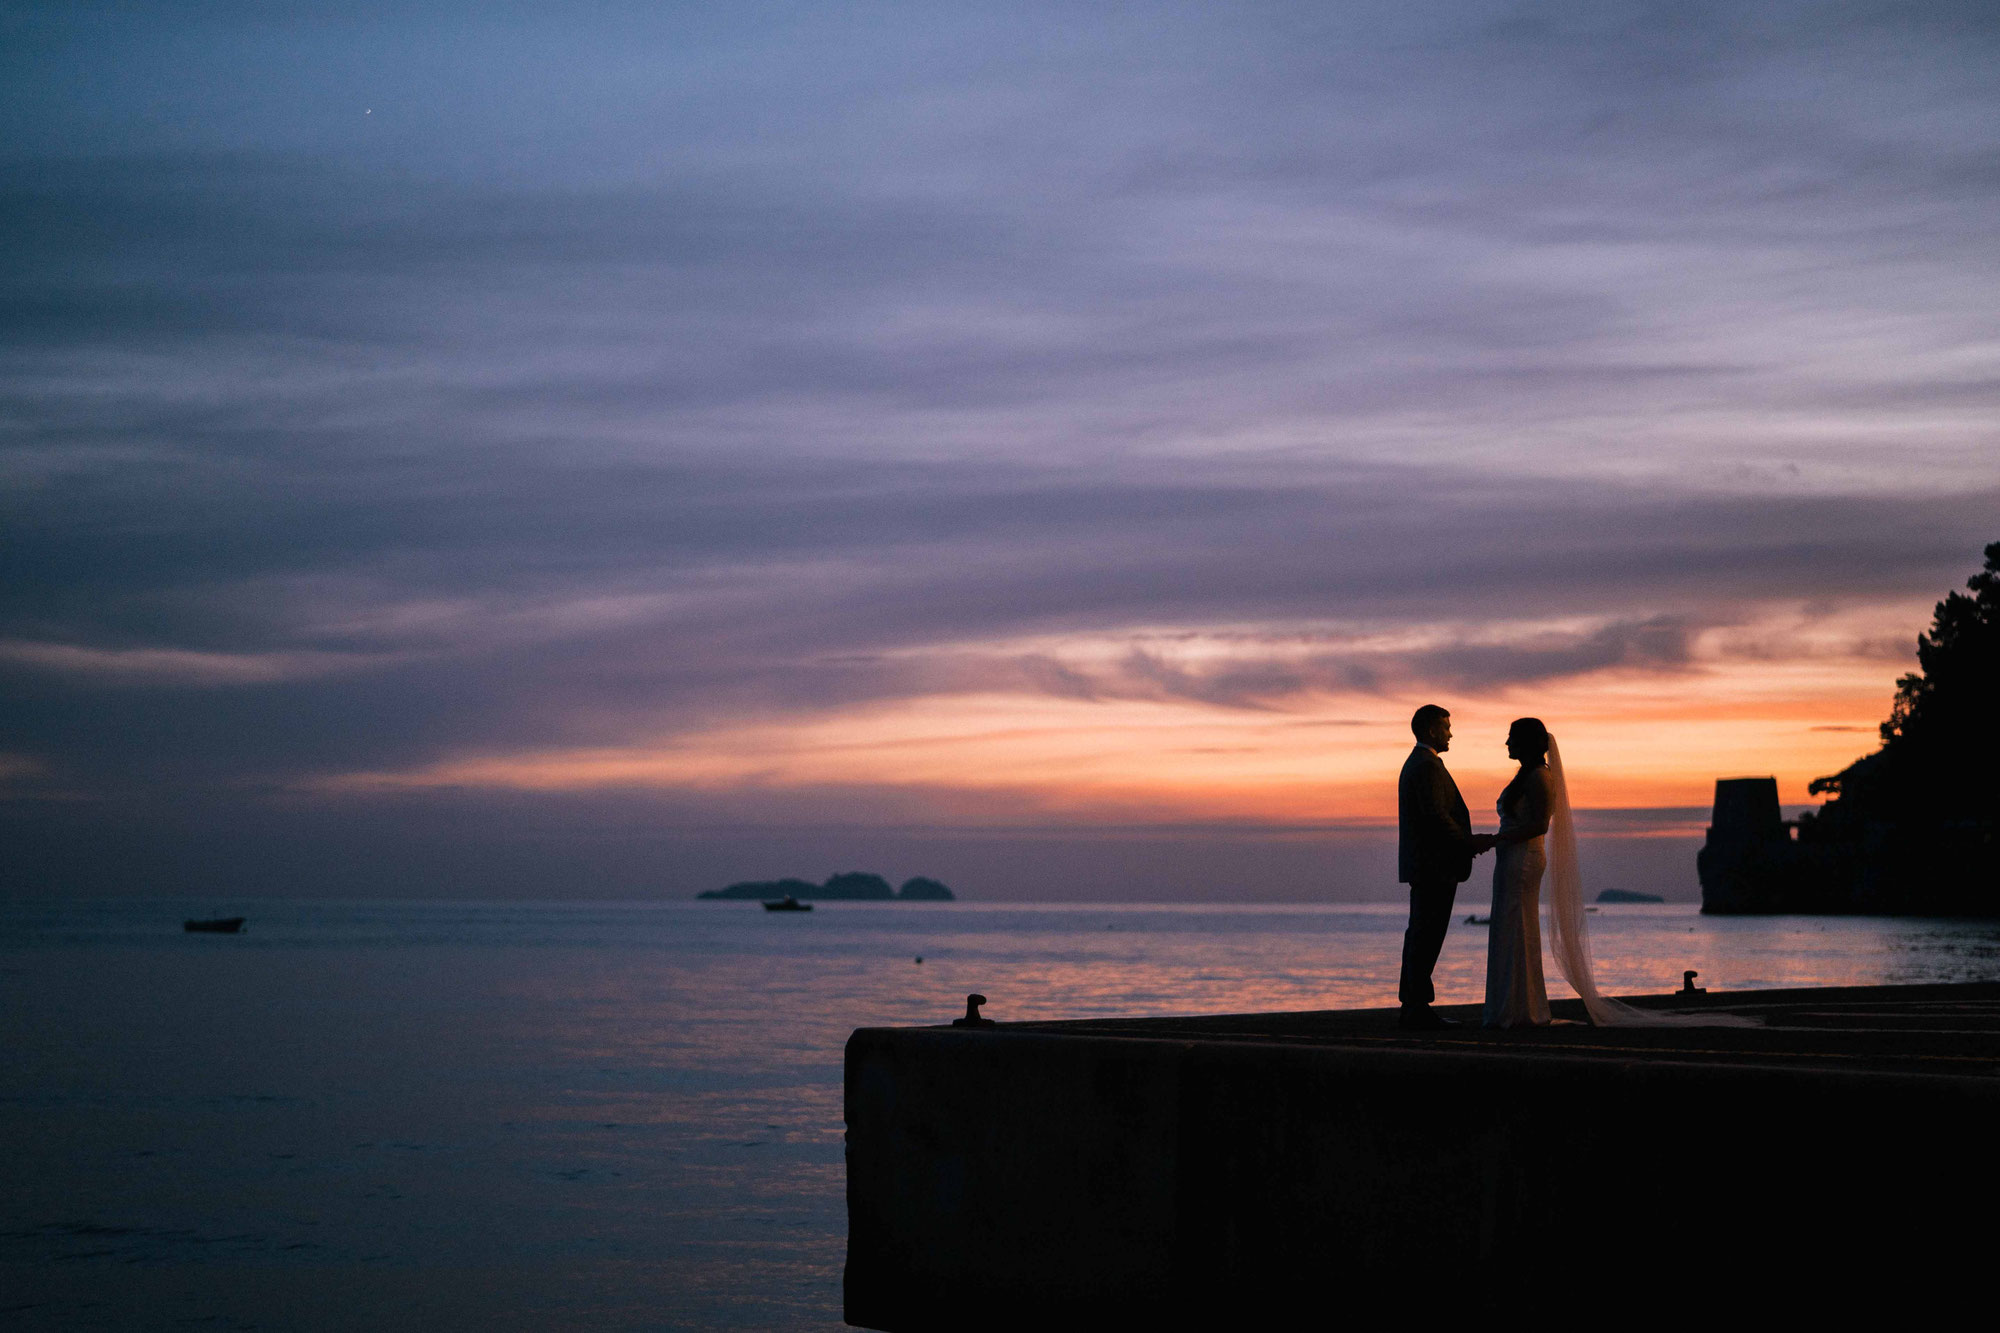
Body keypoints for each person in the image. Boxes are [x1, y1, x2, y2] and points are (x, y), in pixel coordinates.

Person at [1396, 705, 1493, 1029]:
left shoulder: (1420, 763)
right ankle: (1416, 1008)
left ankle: (1414, 1004)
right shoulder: (1426, 766)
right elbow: (1437, 817)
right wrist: (1469, 842)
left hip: (1428, 865)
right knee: (1427, 935)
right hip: (1434, 866)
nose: (1451, 733)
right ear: (1432, 730)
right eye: (1447, 727)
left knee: (1421, 933)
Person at [1485, 718, 1554, 1027]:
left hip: (1523, 859)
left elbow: (1540, 825)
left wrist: (1498, 838)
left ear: (1526, 742)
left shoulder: (1540, 777)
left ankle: (1519, 1008)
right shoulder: (1526, 776)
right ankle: (1512, 1005)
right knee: (1510, 926)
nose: (1507, 743)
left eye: (1512, 737)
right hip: (1511, 857)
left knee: (1518, 926)